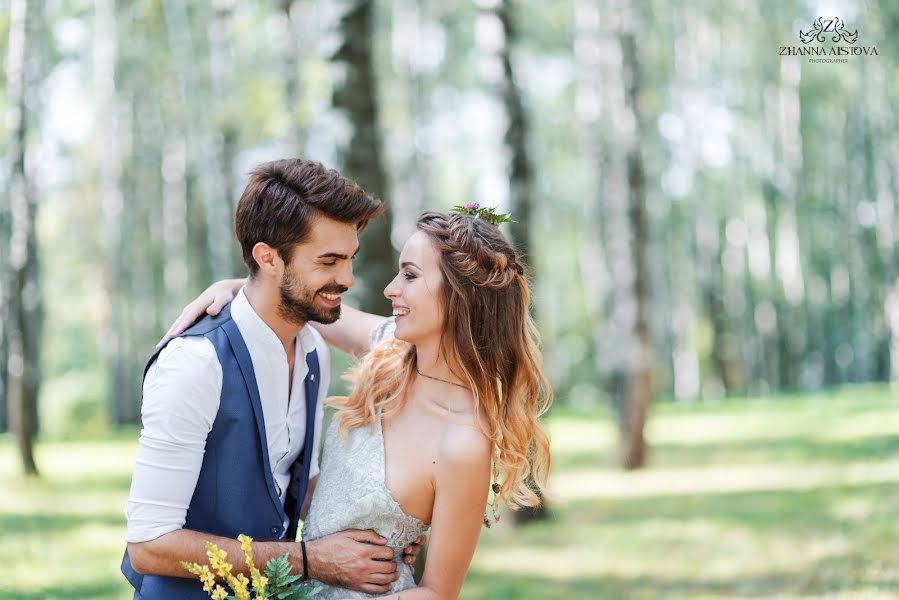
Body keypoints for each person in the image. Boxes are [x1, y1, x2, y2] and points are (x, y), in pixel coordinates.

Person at [171, 205, 553, 598]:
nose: (391, 289)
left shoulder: (464, 443)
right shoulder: (388, 347)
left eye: (410, 275)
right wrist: (238, 287)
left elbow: (438, 592)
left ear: (461, 296)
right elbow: (304, 302)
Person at [122, 159, 421, 599]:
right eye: (329, 261)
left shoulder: (314, 350)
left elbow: (295, 484)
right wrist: (309, 560)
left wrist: (382, 531)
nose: (348, 278)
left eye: (350, 259)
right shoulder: (195, 365)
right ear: (268, 258)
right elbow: (148, 545)